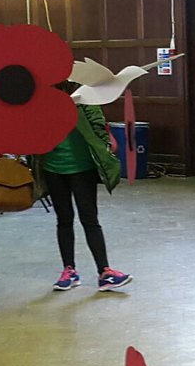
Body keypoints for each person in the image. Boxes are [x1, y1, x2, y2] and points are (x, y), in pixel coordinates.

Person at [42, 96, 131, 292]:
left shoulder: (85, 98)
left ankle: (105, 272)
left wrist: (105, 146)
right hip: (52, 167)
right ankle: (69, 271)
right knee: (64, 219)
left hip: (82, 167)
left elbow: (99, 126)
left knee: (89, 218)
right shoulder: (41, 100)